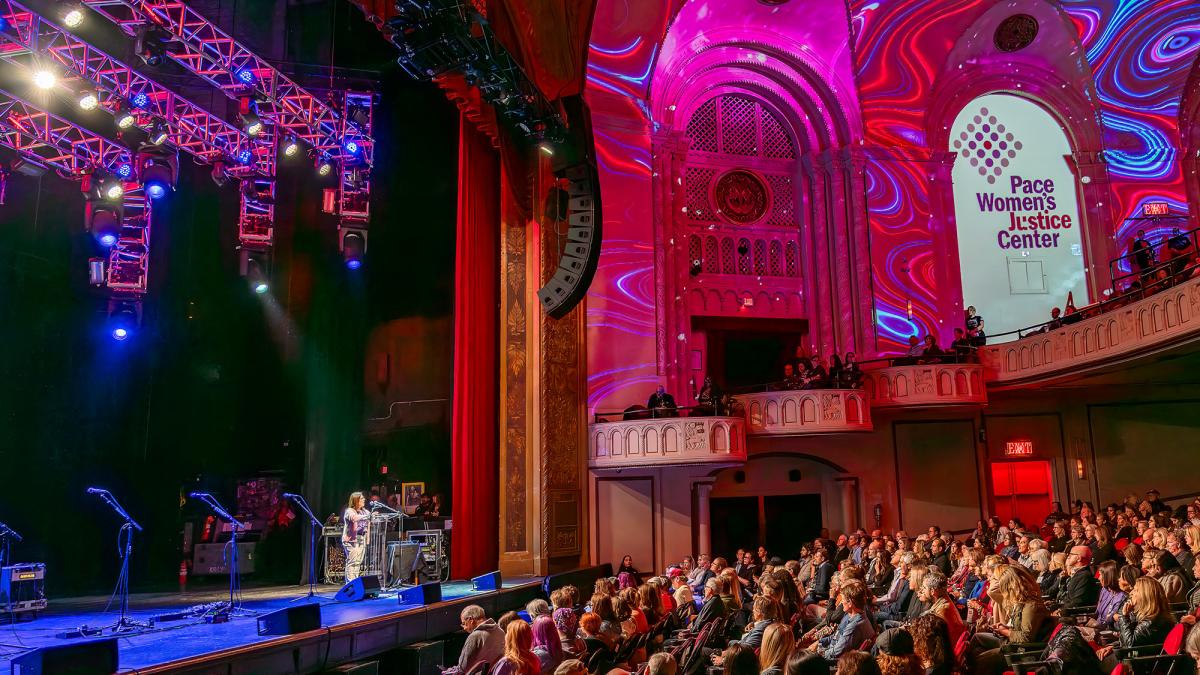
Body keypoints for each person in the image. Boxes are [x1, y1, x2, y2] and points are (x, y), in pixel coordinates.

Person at [1096, 577, 1177, 671]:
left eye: (1135, 590)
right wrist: (1113, 646)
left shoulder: (1152, 622)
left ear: (1145, 595)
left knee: (1090, 662)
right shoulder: (1150, 617)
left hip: (1138, 665)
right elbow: (1136, 640)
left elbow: (1131, 644)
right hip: (1133, 659)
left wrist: (1124, 616)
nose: (1131, 593)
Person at [812, 580, 876, 661]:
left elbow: (837, 653)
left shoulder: (854, 626)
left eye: (843, 600)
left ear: (850, 603)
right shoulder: (849, 615)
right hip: (832, 651)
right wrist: (820, 642)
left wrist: (819, 653)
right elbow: (837, 635)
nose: (842, 602)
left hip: (837, 661)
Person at [452, 605, 506, 675]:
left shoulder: (475, 636)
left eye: (464, 623)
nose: (464, 628)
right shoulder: (500, 631)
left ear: (470, 620)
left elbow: (463, 668)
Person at [920, 571, 965, 647]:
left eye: (924, 588)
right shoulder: (943, 603)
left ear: (932, 591)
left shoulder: (942, 610)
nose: (922, 591)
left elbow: (930, 639)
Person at [1055, 545, 1099, 612]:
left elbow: (1078, 601)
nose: (1068, 556)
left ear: (1078, 558)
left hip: (1074, 615)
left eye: (1071, 554)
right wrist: (1056, 606)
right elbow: (1068, 598)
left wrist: (1061, 611)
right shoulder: (1078, 574)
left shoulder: (1084, 576)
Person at [342, 491, 370, 582]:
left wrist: (367, 539)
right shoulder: (349, 511)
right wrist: (367, 516)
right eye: (361, 498)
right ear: (356, 500)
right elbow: (354, 518)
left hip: (362, 539)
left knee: (358, 562)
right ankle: (350, 583)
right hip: (351, 540)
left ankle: (355, 582)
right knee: (352, 562)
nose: (364, 499)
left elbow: (368, 525)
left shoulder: (365, 511)